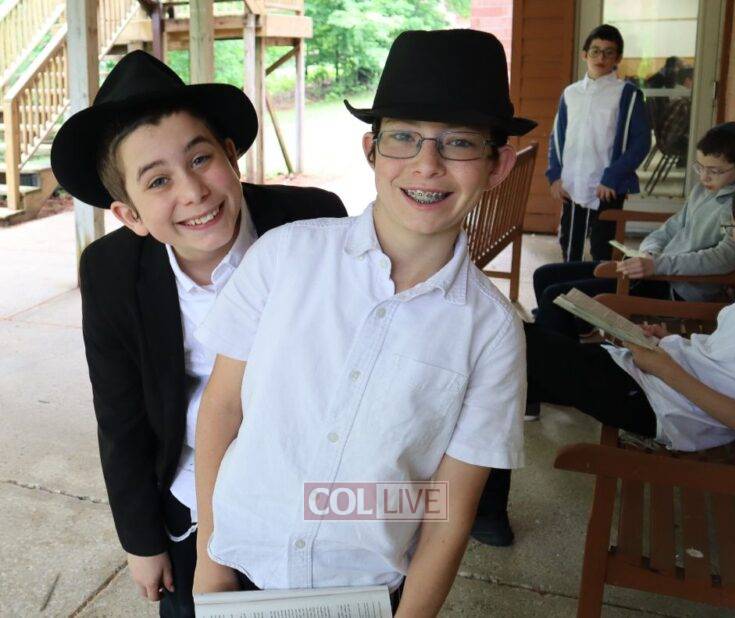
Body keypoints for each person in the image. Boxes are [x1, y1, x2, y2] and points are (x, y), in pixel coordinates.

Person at [191, 30, 533, 616]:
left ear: (497, 164)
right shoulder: (283, 257)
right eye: (403, 137)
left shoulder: (492, 331)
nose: (427, 165)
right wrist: (208, 562)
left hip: (364, 594)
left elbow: (448, 507)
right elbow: (222, 408)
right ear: (371, 149)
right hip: (235, 568)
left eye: (459, 143)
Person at [50, 51, 346, 617]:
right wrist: (141, 540)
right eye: (158, 180)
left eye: (201, 159)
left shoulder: (313, 222)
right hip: (192, 495)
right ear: (131, 215)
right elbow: (120, 414)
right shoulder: (111, 271)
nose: (192, 191)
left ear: (231, 155)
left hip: (310, 488)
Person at [486, 167, 735, 531]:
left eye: (732, 229)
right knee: (511, 357)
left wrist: (666, 368)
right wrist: (669, 342)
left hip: (664, 407)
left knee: (509, 349)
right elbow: (730, 360)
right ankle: (485, 511)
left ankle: (484, 511)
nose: (733, 237)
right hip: (656, 379)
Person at [532, 122, 735, 342]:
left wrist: (658, 265)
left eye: (714, 171)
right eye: (700, 167)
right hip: (656, 271)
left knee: (556, 295)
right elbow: (671, 228)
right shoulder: (704, 190)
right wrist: (650, 252)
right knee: (544, 275)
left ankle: (555, 356)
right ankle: (576, 332)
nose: (704, 177)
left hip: (676, 287)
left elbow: (725, 258)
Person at [546, 24, 650, 263]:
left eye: (608, 52)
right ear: (585, 55)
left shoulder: (627, 94)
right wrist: (555, 175)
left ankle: (602, 286)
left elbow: (641, 142)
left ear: (618, 58)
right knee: (570, 245)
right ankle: (570, 284)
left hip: (607, 186)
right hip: (572, 184)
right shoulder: (571, 93)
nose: (601, 58)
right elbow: (557, 138)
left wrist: (613, 176)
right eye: (595, 51)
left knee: (604, 249)